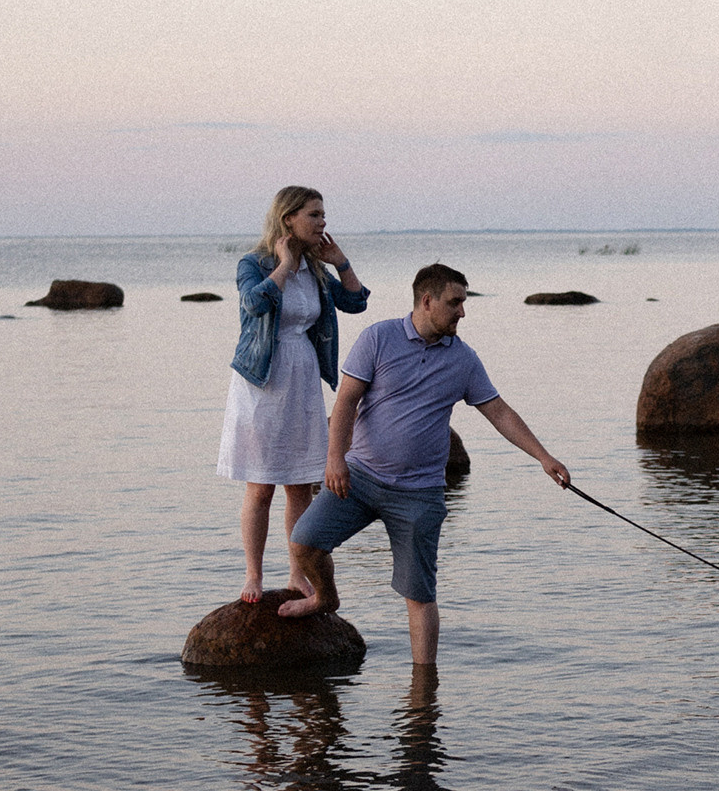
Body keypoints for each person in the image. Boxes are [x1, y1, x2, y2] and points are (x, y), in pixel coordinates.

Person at [280, 262, 570, 667]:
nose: (463, 312)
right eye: (455, 303)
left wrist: (544, 456)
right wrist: (335, 461)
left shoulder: (463, 359)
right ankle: (326, 597)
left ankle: (424, 688)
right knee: (304, 541)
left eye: (464, 302)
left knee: (419, 595)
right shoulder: (378, 338)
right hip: (360, 477)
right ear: (427, 300)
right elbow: (346, 402)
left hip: (420, 493)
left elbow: (498, 411)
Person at [218, 188, 370, 602]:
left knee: (300, 486)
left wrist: (341, 263)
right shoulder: (255, 263)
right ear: (289, 219)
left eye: (323, 214)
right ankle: (252, 574)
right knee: (261, 485)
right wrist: (285, 265)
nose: (322, 222)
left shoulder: (318, 270)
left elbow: (356, 303)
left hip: (302, 378)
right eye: (314, 214)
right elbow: (254, 303)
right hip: (262, 381)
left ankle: (297, 575)